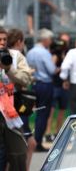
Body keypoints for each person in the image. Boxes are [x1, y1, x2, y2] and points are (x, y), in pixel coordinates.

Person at [0, 27, 32, 171]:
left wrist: (8, 69)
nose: (2, 43)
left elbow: (26, 79)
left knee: (18, 153)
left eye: (4, 40)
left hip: (10, 111)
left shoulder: (15, 56)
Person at [7, 28, 36, 170]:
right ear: (19, 41)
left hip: (11, 105)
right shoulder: (16, 55)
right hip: (12, 107)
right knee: (25, 144)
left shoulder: (12, 55)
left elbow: (24, 79)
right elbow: (25, 80)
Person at [27, 28, 57, 152]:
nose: (51, 42)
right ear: (45, 39)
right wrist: (56, 63)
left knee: (38, 113)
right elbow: (52, 70)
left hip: (34, 84)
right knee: (43, 115)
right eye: (50, 39)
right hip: (45, 84)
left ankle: (34, 140)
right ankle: (37, 142)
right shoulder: (44, 53)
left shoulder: (31, 51)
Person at [45, 33, 70, 143]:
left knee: (62, 111)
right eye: (63, 41)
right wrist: (61, 68)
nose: (64, 43)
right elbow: (52, 68)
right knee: (51, 111)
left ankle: (58, 133)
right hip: (55, 85)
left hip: (64, 86)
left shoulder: (69, 53)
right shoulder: (55, 53)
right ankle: (48, 133)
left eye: (66, 41)